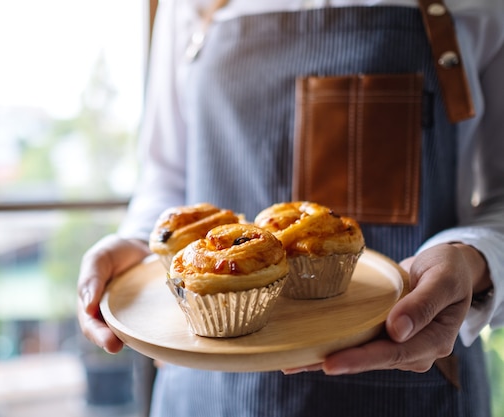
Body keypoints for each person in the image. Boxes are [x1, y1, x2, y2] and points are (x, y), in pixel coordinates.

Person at [77, 0, 504, 415]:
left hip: (411, 381)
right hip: (204, 388)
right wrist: (135, 242)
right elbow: (167, 176)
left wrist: (473, 258)